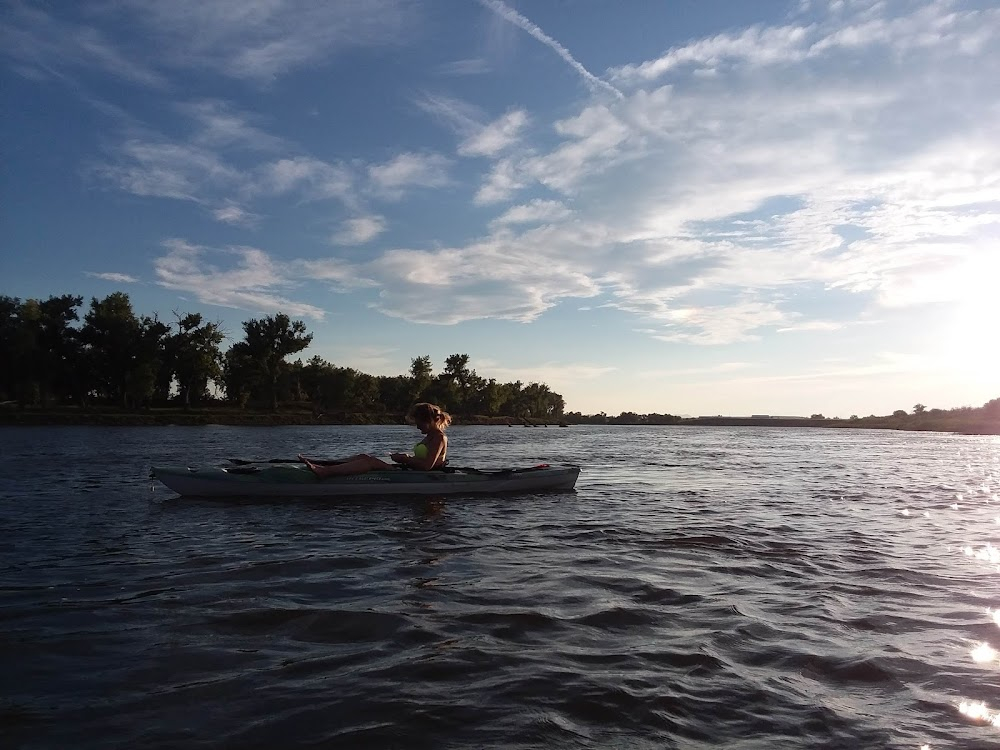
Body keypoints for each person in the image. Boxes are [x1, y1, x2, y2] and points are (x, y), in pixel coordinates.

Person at [298, 402, 451, 478]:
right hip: (411, 470)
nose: (417, 426)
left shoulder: (438, 437)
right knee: (364, 456)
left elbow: (426, 466)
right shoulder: (429, 436)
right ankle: (323, 463)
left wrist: (405, 459)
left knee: (370, 462)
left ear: (429, 421)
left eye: (418, 422)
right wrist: (404, 459)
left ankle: (326, 472)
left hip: (419, 474)